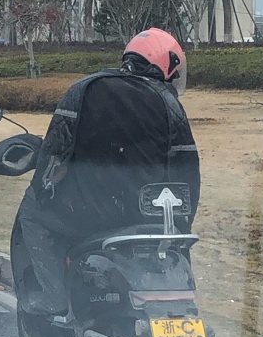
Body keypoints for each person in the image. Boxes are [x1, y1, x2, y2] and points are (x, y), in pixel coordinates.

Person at [12, 29, 201, 319]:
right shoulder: (169, 103)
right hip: (147, 218)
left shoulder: (84, 89)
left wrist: (45, 187)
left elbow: (55, 153)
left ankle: (54, 297)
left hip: (86, 217)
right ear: (165, 64)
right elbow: (187, 171)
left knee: (32, 211)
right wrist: (181, 222)